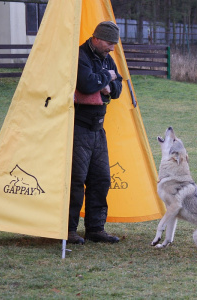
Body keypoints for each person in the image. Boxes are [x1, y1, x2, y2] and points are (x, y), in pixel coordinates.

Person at [68, 21, 123, 244]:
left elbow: (117, 89)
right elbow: (86, 83)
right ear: (97, 38)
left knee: (101, 179)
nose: (112, 48)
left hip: (98, 129)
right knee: (75, 180)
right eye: (110, 43)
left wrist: (107, 82)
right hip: (79, 127)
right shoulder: (80, 56)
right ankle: (69, 230)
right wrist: (105, 78)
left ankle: (95, 229)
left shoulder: (107, 58)